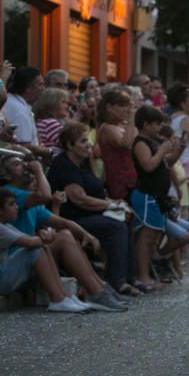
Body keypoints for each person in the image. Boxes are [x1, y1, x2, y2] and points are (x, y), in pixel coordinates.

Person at [1, 154, 127, 311]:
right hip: (17, 263)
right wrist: (39, 170)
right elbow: (45, 196)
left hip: (30, 259)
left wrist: (86, 235)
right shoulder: (7, 194)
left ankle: (98, 289)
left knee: (66, 234)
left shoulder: (27, 199)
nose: (25, 166)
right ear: (5, 173)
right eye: (17, 164)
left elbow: (61, 222)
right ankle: (93, 293)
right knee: (63, 238)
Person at [47, 122, 138, 296]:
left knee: (127, 218)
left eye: (88, 140)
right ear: (69, 145)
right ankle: (117, 281)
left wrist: (117, 203)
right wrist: (111, 205)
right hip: (73, 218)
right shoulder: (64, 166)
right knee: (115, 226)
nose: (88, 144)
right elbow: (79, 199)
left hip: (90, 213)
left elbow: (97, 193)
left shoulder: (82, 164)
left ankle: (131, 277)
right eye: (82, 141)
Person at [0, 189, 90, 312]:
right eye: (11, 204)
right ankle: (57, 299)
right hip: (2, 282)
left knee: (42, 247)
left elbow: (31, 239)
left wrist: (42, 236)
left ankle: (64, 296)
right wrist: (46, 236)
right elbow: (31, 242)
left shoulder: (6, 225)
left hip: (4, 276)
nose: (16, 207)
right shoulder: (1, 229)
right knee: (35, 250)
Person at [130, 105, 186, 291]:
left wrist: (176, 152)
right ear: (146, 124)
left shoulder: (153, 142)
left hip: (157, 197)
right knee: (146, 237)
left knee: (153, 236)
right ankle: (144, 277)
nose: (159, 128)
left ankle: (149, 274)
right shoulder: (140, 143)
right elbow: (147, 165)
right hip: (147, 196)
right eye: (156, 124)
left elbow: (164, 163)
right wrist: (162, 150)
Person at [96, 89, 138, 201]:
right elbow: (126, 144)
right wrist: (131, 119)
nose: (127, 110)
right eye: (122, 105)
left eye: (128, 106)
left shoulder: (119, 126)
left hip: (131, 180)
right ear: (109, 107)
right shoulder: (107, 128)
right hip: (122, 183)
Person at [3, 66, 50, 161]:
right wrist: (51, 152)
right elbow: (24, 145)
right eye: (40, 85)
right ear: (28, 88)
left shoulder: (18, 103)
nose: (43, 89)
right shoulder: (19, 109)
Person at [33, 87, 70, 158]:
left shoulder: (43, 122)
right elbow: (72, 144)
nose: (67, 106)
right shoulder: (50, 123)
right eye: (63, 102)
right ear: (52, 104)